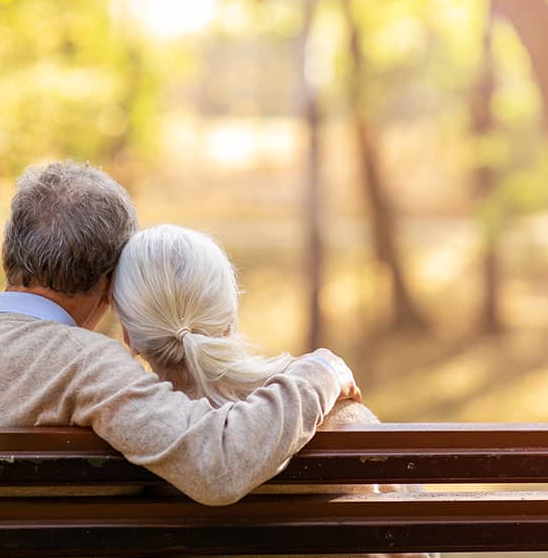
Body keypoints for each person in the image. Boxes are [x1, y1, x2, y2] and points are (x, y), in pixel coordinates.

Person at [0, 161, 360, 506]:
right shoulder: (85, 363)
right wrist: (320, 370)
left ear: (6, 256)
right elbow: (217, 467)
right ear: (110, 288)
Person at [112, 224, 437, 558]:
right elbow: (417, 548)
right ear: (229, 320)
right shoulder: (338, 417)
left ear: (129, 334)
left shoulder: (125, 436)